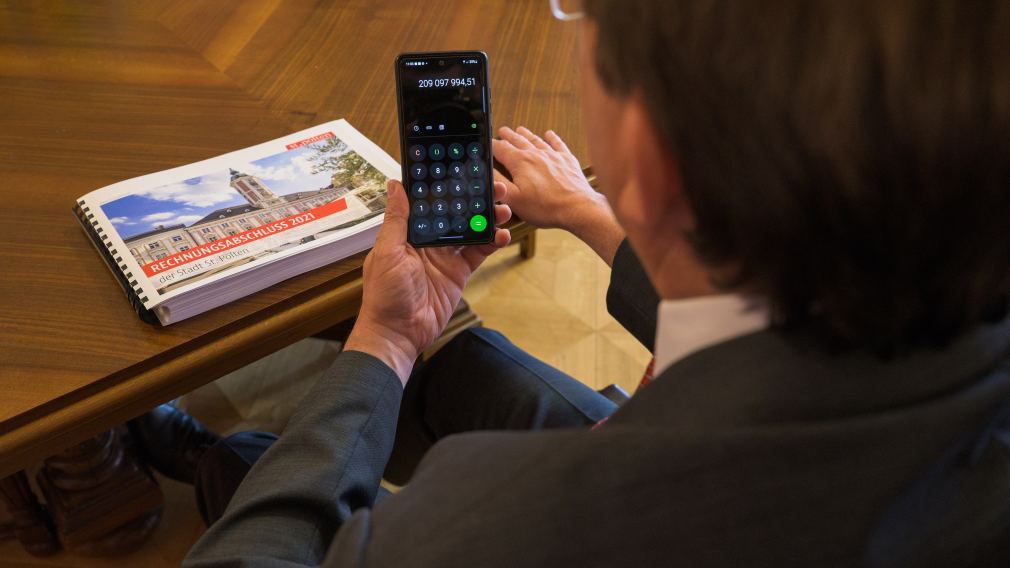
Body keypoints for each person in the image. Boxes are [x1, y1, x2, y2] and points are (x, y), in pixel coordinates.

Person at [133, 0, 1010, 565]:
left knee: (274, 480)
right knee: (470, 367)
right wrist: (597, 214)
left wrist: (384, 339)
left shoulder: (496, 529)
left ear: (648, 157)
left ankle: (218, 464)